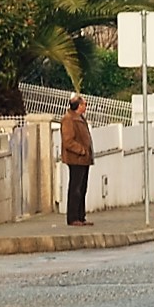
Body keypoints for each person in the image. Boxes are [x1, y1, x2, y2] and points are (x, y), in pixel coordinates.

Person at [60, 93, 94, 226]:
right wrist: (81, 150)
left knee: (82, 188)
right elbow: (68, 141)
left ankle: (81, 216)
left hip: (84, 159)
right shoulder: (69, 119)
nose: (86, 106)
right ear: (79, 105)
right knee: (75, 188)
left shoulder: (80, 118)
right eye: (84, 104)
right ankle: (73, 217)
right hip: (76, 159)